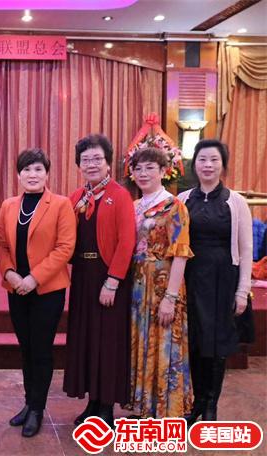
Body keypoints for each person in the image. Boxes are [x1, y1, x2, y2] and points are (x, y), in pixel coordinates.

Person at [0, 148, 76, 437]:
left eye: (38, 169)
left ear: (46, 173)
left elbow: (65, 248)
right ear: (19, 175)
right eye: (27, 169)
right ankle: (28, 402)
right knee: (25, 347)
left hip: (47, 290)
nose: (32, 174)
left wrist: (34, 278)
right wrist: (9, 273)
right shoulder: (8, 205)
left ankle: (37, 409)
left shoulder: (61, 205)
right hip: (16, 288)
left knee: (41, 349)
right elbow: (1, 244)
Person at [63, 135, 136, 428]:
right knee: (87, 339)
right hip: (83, 276)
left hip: (108, 278)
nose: (91, 164)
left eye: (97, 159)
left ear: (107, 163)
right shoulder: (76, 197)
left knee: (107, 342)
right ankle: (92, 402)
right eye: (85, 160)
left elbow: (127, 241)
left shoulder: (120, 195)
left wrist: (113, 280)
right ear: (78, 165)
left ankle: (106, 406)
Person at [178, 139, 252, 424]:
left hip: (223, 280)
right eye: (202, 159)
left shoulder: (236, 202)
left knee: (216, 343)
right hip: (190, 278)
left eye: (214, 160)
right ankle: (196, 402)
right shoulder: (183, 200)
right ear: (194, 164)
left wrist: (242, 291)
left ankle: (211, 404)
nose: (208, 165)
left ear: (223, 165)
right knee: (194, 342)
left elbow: (246, 249)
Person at [127, 147, 193, 419]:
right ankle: (144, 408)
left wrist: (170, 297)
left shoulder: (174, 206)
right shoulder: (133, 207)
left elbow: (181, 253)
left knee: (164, 342)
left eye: (150, 168)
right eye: (138, 169)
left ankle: (167, 412)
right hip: (137, 285)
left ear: (164, 171)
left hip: (164, 284)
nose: (143, 173)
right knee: (142, 342)